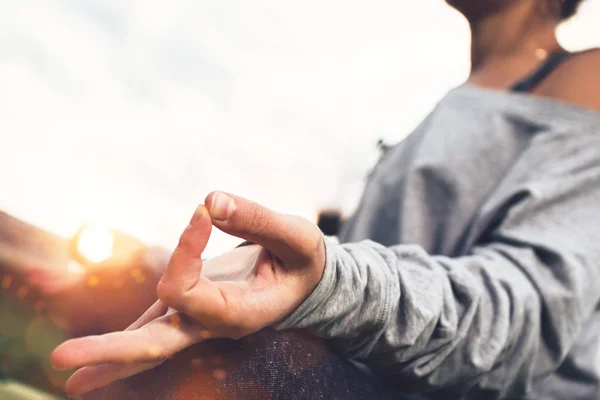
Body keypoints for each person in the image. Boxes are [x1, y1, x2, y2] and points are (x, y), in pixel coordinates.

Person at [51, 0, 600, 399]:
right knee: (120, 288)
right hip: (372, 371)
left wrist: (328, 282)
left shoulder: (584, 77)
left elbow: (523, 319)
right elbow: (358, 269)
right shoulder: (449, 105)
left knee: (225, 358)